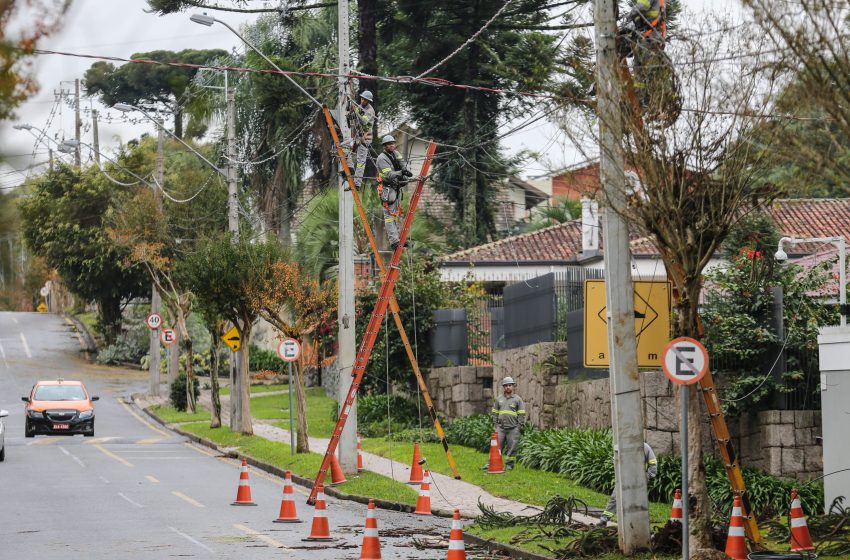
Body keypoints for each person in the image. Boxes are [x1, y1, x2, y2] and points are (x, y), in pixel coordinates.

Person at [598, 441, 658, 526]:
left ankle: (637, 524)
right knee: (615, 499)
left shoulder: (645, 447)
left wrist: (648, 476)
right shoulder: (622, 445)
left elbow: (653, 463)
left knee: (636, 503)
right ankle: (603, 520)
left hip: (638, 481)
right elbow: (615, 460)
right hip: (624, 478)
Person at [375, 134, 413, 250]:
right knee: (389, 216)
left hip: (396, 188)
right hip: (387, 188)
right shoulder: (382, 158)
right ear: (385, 146)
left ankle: (400, 239)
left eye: (393, 143)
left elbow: (402, 164)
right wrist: (402, 173)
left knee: (397, 214)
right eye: (389, 144)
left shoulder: (396, 154)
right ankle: (394, 242)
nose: (392, 145)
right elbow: (389, 175)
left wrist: (406, 171)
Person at [490, 376, 526, 471]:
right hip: (500, 428)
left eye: (510, 385)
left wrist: (518, 426)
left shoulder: (518, 399)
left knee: (512, 448)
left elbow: (521, 413)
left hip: (513, 429)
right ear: (503, 387)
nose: (508, 387)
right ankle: (493, 463)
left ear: (513, 386)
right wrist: (495, 425)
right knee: (496, 446)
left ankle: (509, 465)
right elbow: (495, 412)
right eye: (506, 386)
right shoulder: (499, 399)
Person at [349, 90, 376, 188]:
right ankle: (350, 169)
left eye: (364, 100)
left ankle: (357, 184)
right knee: (347, 151)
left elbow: (364, 121)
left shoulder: (370, 110)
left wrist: (356, 111)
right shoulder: (360, 107)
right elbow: (354, 117)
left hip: (366, 139)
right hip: (358, 137)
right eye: (362, 98)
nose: (362, 100)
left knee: (360, 162)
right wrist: (351, 112)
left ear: (368, 101)